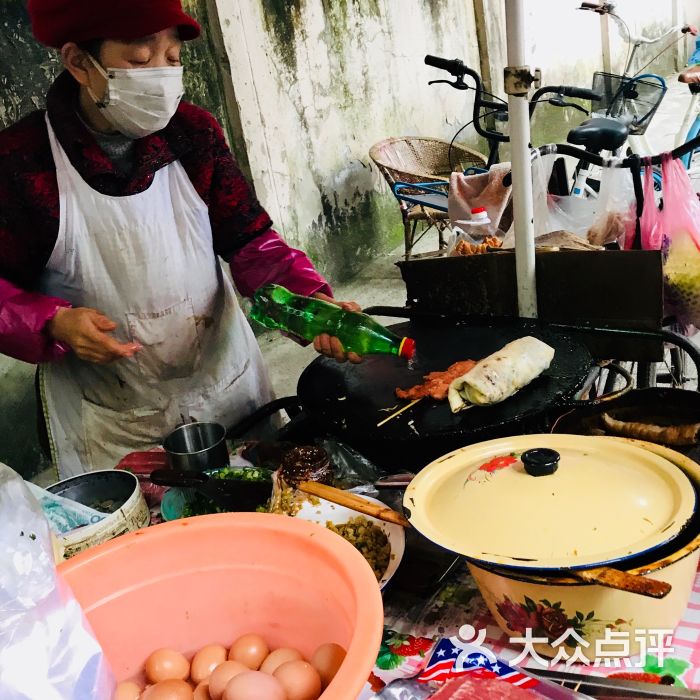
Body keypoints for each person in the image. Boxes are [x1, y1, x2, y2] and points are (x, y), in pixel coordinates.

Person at [0, 0, 360, 478]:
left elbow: (251, 241)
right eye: (140, 59)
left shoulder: (194, 134)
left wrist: (310, 300)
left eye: (173, 58)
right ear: (79, 62)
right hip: (113, 417)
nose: (162, 75)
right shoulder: (22, 164)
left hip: (225, 386)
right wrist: (52, 323)